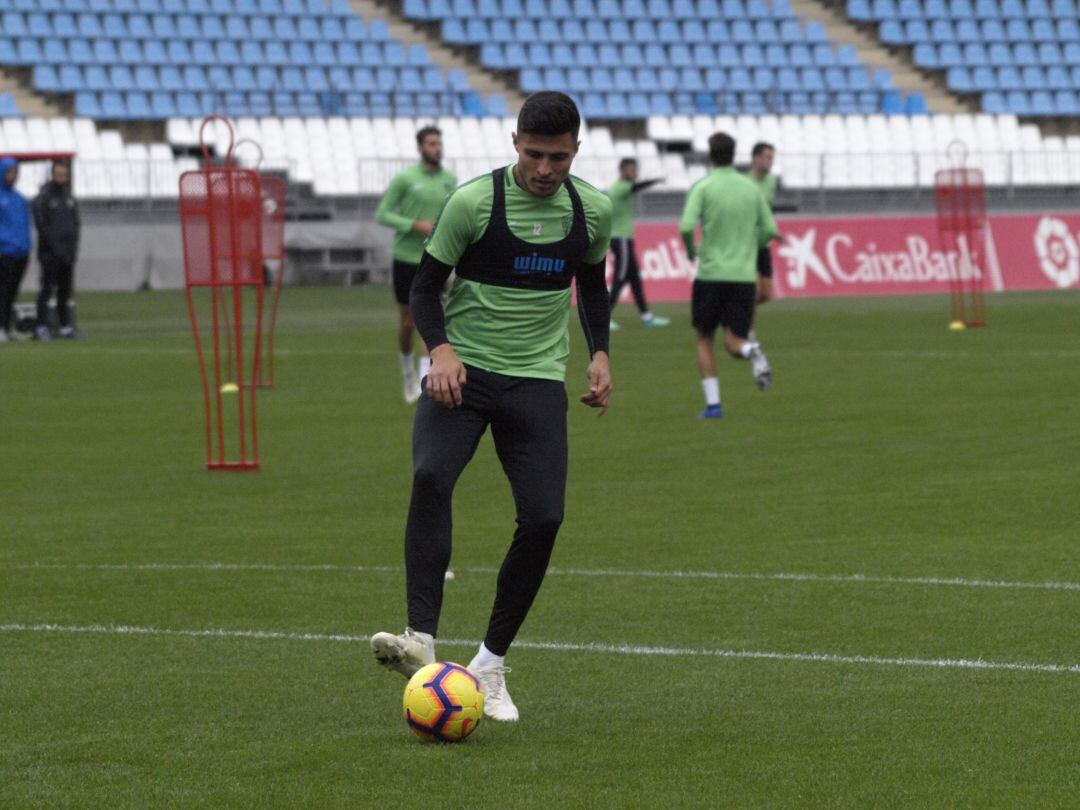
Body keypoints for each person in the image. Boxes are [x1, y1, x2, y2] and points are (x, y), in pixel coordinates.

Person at [370, 92, 613, 722]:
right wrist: (441, 351)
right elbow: (424, 291)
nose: (544, 169)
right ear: (515, 145)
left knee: (543, 519)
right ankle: (419, 637)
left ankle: (491, 664)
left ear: (575, 152)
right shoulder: (474, 203)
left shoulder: (593, 210)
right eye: (534, 154)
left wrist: (600, 354)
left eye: (558, 157)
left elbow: (592, 285)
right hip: (464, 373)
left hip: (535, 380)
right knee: (430, 476)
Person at [680, 132, 778, 420]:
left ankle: (714, 405)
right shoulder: (751, 189)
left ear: (710, 155)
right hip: (744, 276)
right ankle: (751, 350)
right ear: (735, 155)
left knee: (704, 338)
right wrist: (750, 246)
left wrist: (690, 251)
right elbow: (770, 230)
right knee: (734, 341)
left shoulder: (703, 186)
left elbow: (686, 226)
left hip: (711, 273)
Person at [375, 126, 457, 403]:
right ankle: (407, 372)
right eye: (431, 143)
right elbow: (383, 213)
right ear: (421, 147)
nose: (437, 148)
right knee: (408, 321)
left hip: (436, 258)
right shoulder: (405, 179)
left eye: (439, 143)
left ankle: (425, 382)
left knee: (433, 319)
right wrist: (413, 224)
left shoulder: (449, 179)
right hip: (406, 259)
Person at [606, 158, 668, 331]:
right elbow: (637, 187)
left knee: (634, 279)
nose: (634, 173)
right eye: (631, 170)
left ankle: (647, 317)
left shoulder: (620, 188)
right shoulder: (620, 187)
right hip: (621, 239)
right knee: (620, 277)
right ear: (623, 170)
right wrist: (656, 181)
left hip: (624, 239)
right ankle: (604, 316)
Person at [32, 160, 81, 340]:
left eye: (65, 175)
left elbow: (76, 226)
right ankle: (41, 326)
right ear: (53, 174)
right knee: (47, 289)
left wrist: (72, 250)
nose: (62, 178)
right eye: (59, 175)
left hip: (67, 255)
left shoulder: (69, 198)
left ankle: (65, 326)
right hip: (49, 255)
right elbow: (42, 227)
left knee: (64, 291)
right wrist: (57, 249)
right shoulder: (44, 198)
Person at [0, 157, 31, 344]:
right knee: (2, 292)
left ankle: (7, 326)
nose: (12, 176)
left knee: (12, 292)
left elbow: (24, 225)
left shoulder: (19, 199)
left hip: (21, 252)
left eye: (14, 172)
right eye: (9, 172)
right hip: (4, 252)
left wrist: (27, 246)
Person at [746, 142, 778, 311]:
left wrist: (773, 231)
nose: (771, 161)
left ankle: (736, 310)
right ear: (756, 158)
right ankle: (746, 331)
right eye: (768, 157)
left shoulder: (772, 182)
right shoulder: (744, 183)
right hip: (747, 243)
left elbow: (767, 211)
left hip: (763, 243)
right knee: (754, 290)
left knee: (766, 294)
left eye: (772, 158)